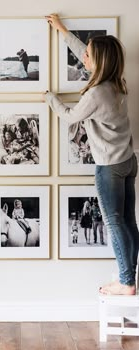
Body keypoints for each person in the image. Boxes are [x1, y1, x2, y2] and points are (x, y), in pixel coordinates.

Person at [45, 14, 139, 295]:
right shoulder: (116, 82)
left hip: (109, 166)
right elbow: (83, 52)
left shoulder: (96, 93)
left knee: (113, 222)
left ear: (99, 61)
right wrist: (61, 30)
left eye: (88, 55)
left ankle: (126, 282)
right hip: (128, 161)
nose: (83, 58)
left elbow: (69, 116)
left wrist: (49, 98)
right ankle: (129, 277)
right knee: (127, 221)